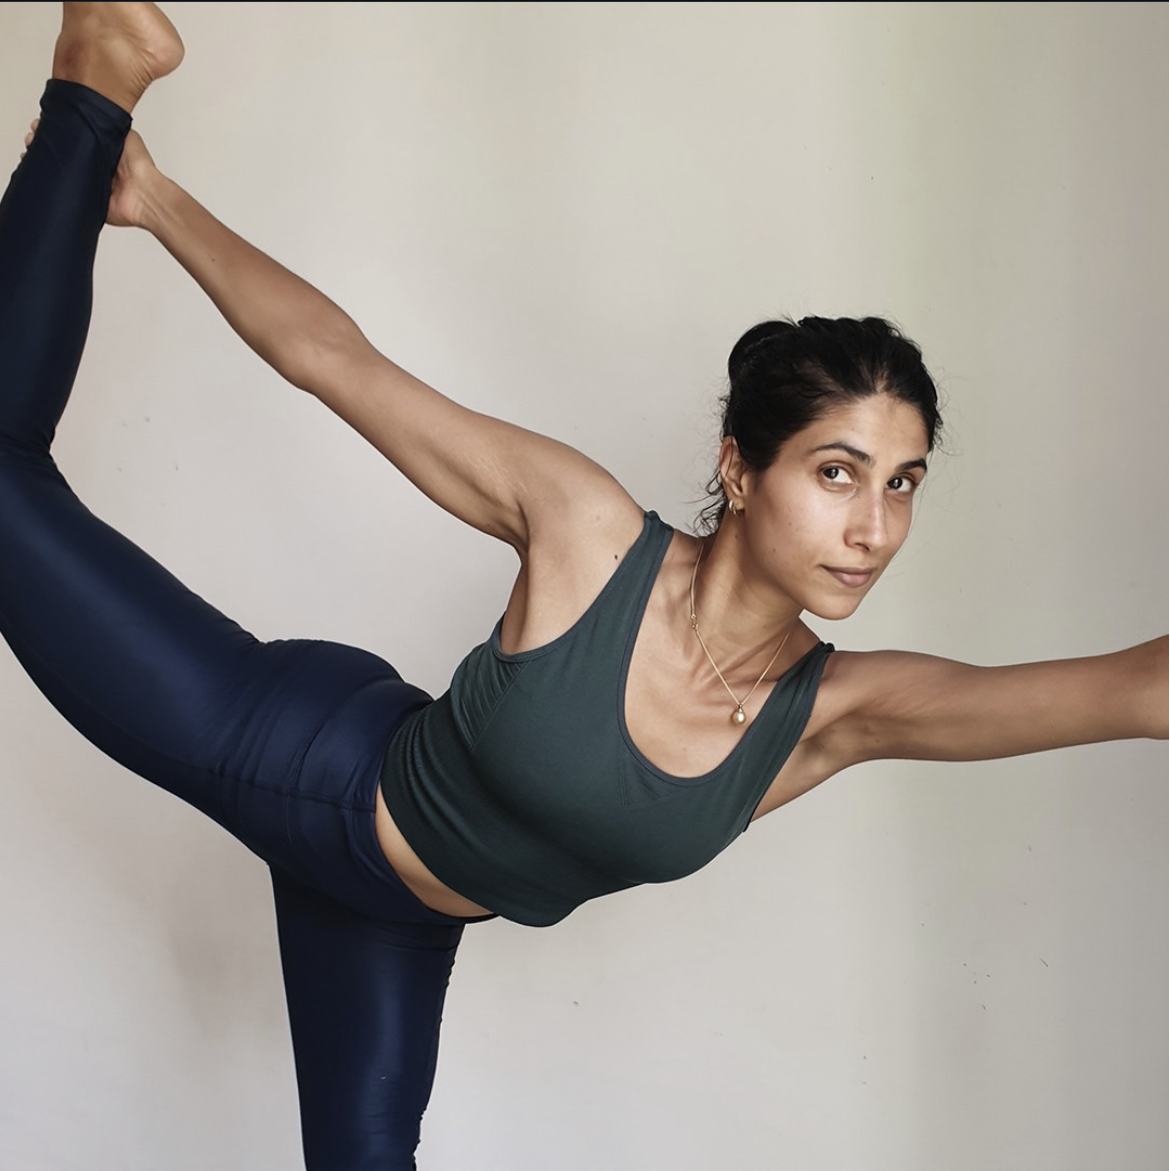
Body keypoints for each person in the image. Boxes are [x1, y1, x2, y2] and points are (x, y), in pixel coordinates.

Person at [1, 4, 1165, 1169]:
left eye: (903, 483)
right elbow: (335, 360)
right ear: (740, 469)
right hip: (301, 761)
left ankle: (93, 98)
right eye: (837, 472)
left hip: (399, 917)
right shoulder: (589, 536)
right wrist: (158, 206)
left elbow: (1134, 690)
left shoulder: (833, 717)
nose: (874, 526)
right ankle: (96, 87)